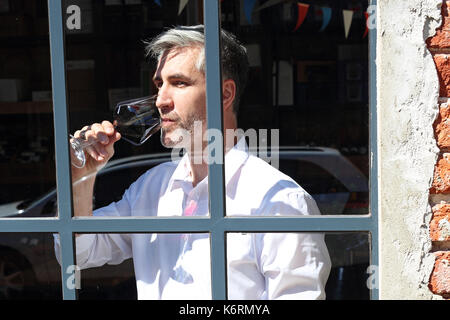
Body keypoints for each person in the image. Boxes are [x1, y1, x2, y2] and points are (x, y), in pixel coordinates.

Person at [54, 25, 331, 300]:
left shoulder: (279, 201)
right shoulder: (152, 188)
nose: (161, 100)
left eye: (179, 83)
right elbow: (78, 252)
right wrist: (81, 177)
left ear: (225, 94)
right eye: (159, 84)